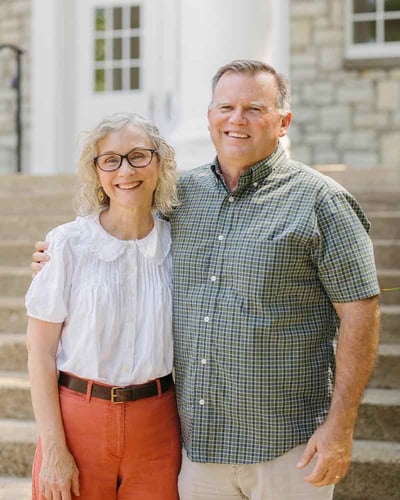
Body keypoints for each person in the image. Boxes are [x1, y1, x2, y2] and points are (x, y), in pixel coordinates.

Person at [32, 60, 381, 500]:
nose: (237, 120)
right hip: (199, 450)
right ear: (209, 117)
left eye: (254, 108)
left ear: (283, 121)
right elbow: (120, 231)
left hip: (287, 447)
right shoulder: (182, 198)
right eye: (226, 107)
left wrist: (340, 427)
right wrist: (56, 254)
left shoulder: (322, 201)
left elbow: (361, 315)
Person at [26, 112, 181, 500]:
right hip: (78, 421)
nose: (125, 170)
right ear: (96, 173)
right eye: (110, 159)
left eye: (139, 156)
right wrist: (54, 450)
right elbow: (40, 352)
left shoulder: (182, 244)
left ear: (159, 163)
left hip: (158, 426)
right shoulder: (66, 245)